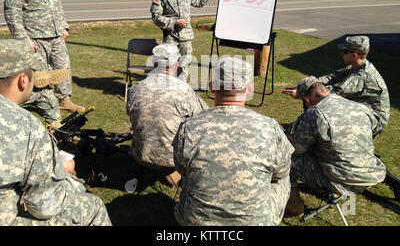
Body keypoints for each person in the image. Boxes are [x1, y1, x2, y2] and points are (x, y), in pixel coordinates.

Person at [0, 39, 111, 226]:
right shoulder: (26, 126)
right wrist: (66, 175)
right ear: (23, 80)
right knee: (92, 206)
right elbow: (45, 206)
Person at [172, 56, 294, 225]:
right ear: (249, 90)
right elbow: (281, 172)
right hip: (256, 222)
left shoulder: (189, 128)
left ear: (212, 87)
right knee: (284, 178)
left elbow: (181, 168)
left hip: (196, 222)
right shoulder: (270, 128)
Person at [284, 76, 386, 215]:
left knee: (285, 159)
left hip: (341, 180)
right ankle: (320, 187)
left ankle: (294, 206)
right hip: (371, 174)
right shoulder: (360, 107)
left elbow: (294, 148)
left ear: (307, 100)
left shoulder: (315, 113)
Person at [4, 0, 85, 114]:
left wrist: (64, 27)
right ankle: (42, 106)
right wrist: (24, 40)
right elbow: (12, 14)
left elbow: (57, 6)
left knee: (63, 68)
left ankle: (64, 100)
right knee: (39, 75)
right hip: (35, 38)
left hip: (56, 36)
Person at [126, 43, 209, 185]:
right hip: (173, 160)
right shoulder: (184, 91)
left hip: (141, 155)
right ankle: (177, 176)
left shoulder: (135, 90)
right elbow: (204, 117)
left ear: (153, 63)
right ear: (176, 65)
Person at [283, 35, 390, 135]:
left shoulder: (362, 77)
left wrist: (303, 92)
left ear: (354, 54)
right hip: (361, 109)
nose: (342, 54)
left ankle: (299, 131)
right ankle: (299, 128)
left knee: (325, 106)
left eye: (345, 51)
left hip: (374, 119)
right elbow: (332, 77)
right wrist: (309, 85)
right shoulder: (357, 66)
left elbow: (329, 93)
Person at [150, 0, 216, 81]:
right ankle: (170, 89)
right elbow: (156, 17)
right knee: (169, 66)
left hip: (186, 37)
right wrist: (175, 22)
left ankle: (182, 88)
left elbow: (199, 2)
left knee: (184, 66)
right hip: (170, 37)